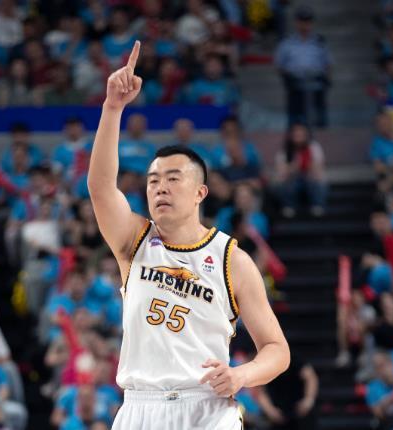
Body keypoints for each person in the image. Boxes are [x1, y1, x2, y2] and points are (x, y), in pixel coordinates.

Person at [87, 41, 290, 430]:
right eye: (152, 181)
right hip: (140, 406)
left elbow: (277, 350)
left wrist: (242, 375)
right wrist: (112, 108)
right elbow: (100, 187)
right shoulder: (133, 241)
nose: (160, 187)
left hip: (206, 407)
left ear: (200, 192)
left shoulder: (232, 259)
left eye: (172, 178)